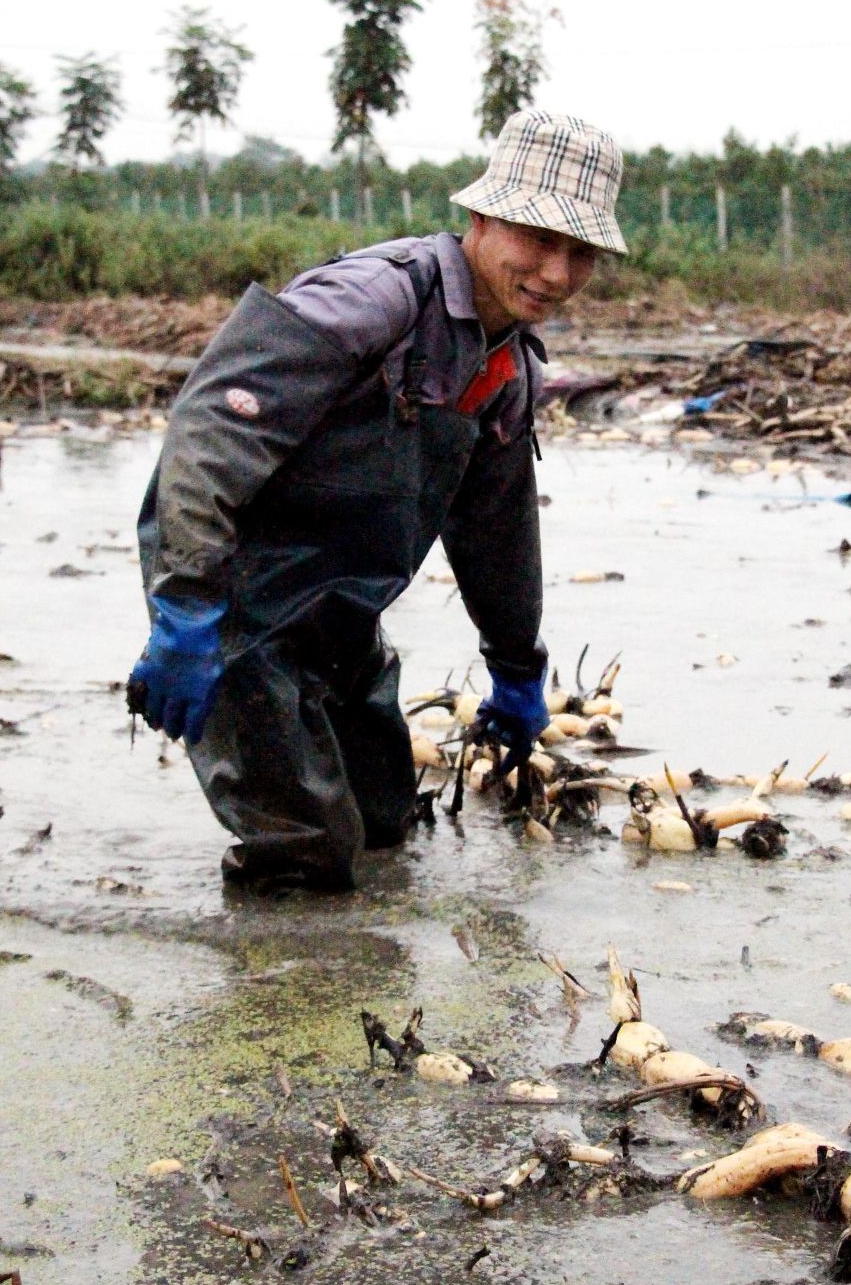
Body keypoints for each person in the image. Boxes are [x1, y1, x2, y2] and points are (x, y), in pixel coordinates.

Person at [127, 110, 627, 891]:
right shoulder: (369, 302)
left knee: (387, 824)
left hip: (340, 616)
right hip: (237, 608)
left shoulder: (510, 367)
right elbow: (207, 432)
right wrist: (188, 605)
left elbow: (497, 532)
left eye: (581, 253)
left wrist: (517, 665)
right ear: (483, 216)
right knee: (306, 857)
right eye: (538, 239)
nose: (557, 274)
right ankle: (273, 986)